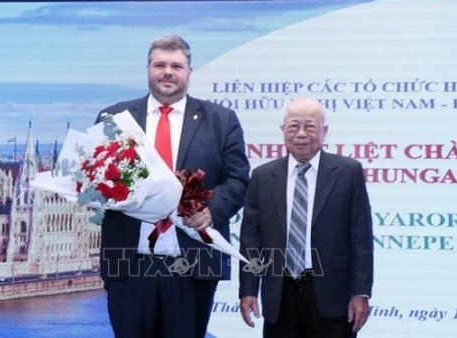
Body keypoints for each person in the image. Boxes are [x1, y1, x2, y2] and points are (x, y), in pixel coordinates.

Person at [95, 35, 250, 338]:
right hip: (129, 267)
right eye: (160, 65)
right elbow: (95, 178)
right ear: (148, 69)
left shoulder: (222, 120)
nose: (168, 72)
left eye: (176, 66)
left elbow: (239, 180)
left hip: (191, 267)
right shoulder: (114, 118)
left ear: (189, 72)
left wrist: (211, 210)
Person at [239, 97, 373, 338]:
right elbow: (251, 240)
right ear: (283, 131)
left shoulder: (347, 172)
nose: (301, 133)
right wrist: (248, 289)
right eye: (293, 126)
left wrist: (361, 292)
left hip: (333, 297)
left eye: (310, 126)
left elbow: (361, 238)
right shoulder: (262, 176)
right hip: (280, 295)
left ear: (324, 131)